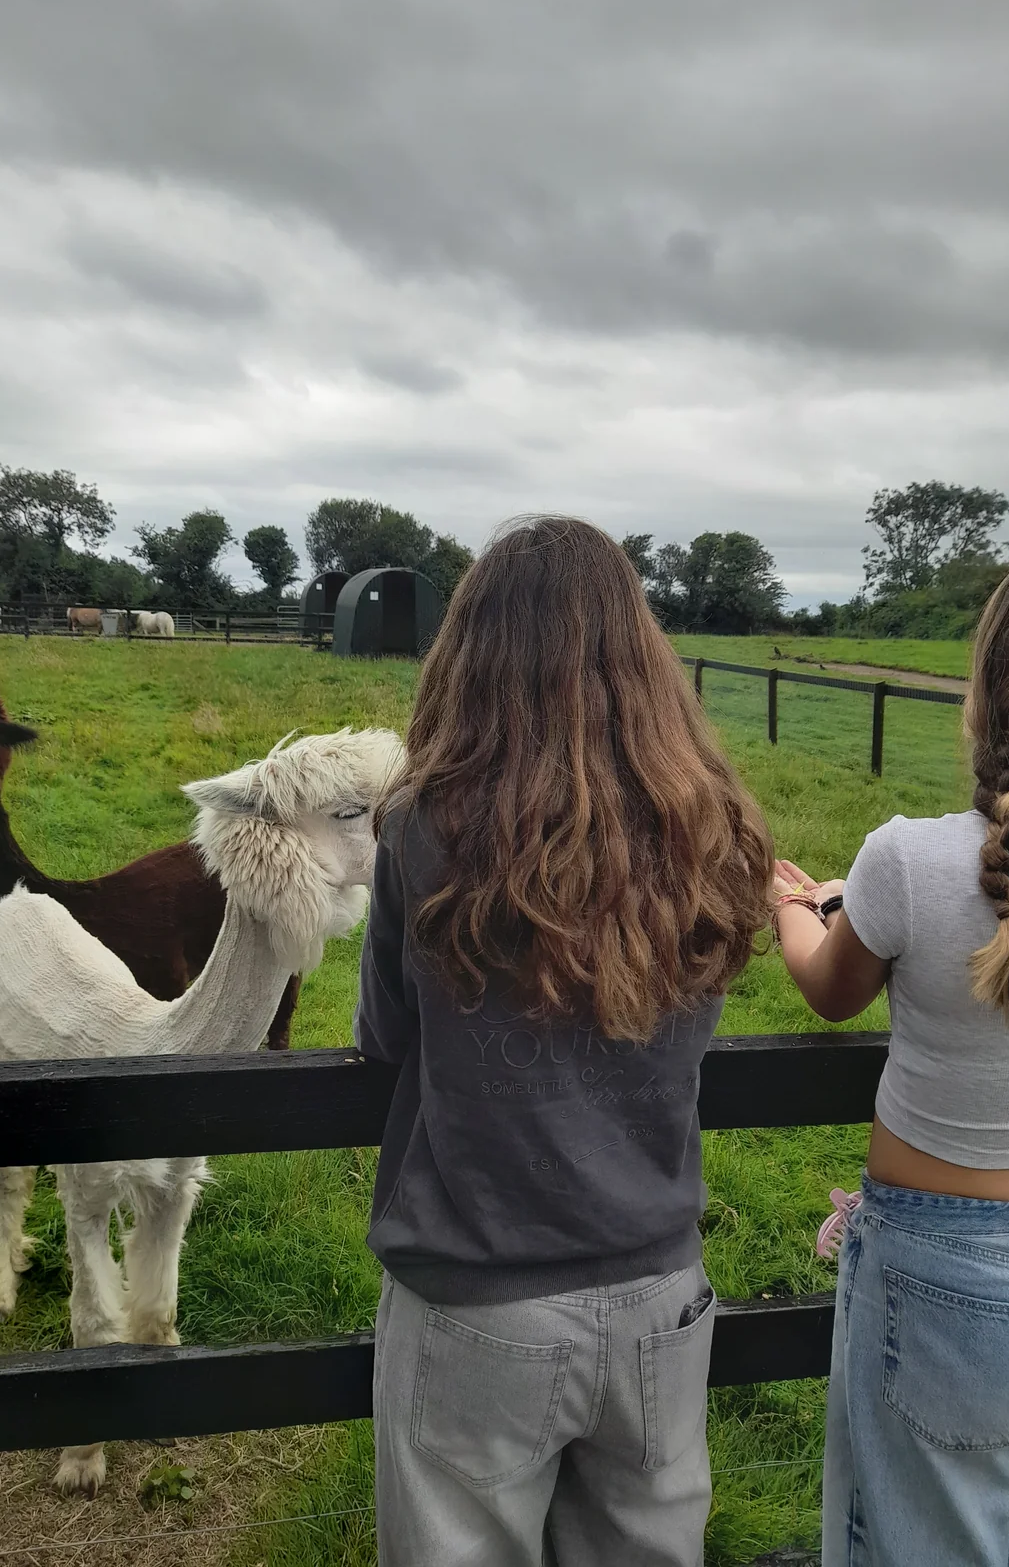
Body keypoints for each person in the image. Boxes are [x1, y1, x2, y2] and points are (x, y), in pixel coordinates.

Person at [354, 517, 774, 1567]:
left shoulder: (422, 825)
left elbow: (383, 1037)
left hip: (477, 1296)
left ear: (470, 653)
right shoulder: (709, 825)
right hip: (661, 1296)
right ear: (643, 658)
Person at [772, 542, 1009, 1567]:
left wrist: (793, 911)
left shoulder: (909, 856)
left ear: (989, 694)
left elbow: (830, 987)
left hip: (946, 1269)